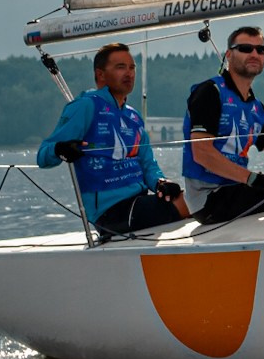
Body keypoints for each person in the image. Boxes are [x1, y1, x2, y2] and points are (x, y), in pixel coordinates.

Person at [37, 42, 187, 237]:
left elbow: (148, 165)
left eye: (132, 67)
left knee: (190, 197)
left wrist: (160, 182)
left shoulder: (134, 117)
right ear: (100, 74)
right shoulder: (85, 106)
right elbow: (42, 155)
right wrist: (59, 149)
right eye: (120, 67)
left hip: (137, 201)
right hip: (110, 213)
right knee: (192, 202)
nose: (129, 73)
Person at [181, 26, 264, 222]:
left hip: (237, 188)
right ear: (228, 54)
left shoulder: (257, 108)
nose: (254, 54)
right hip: (208, 198)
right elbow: (201, 153)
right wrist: (252, 178)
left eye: (260, 50)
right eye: (245, 48)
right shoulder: (210, 92)